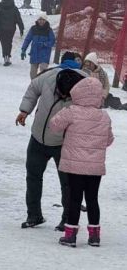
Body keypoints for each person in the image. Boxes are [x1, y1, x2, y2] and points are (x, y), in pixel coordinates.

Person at [16, 51, 88, 231]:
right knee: (68, 183)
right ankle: (67, 220)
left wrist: (25, 110)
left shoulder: (47, 75)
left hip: (39, 136)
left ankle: (34, 215)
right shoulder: (87, 82)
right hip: (66, 141)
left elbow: (32, 88)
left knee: (33, 177)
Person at [49, 77, 113, 247]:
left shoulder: (71, 111)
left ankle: (70, 235)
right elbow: (109, 140)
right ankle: (94, 236)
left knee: (74, 199)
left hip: (74, 165)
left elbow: (54, 125)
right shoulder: (104, 116)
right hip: (95, 167)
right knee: (92, 199)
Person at [0, 0, 24, 66]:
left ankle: (5, 57)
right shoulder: (14, 8)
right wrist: (21, 28)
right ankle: (8, 56)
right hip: (11, 29)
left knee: (4, 43)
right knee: (9, 42)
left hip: (1, 29)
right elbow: (18, 18)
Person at [21, 15, 55, 79]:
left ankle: (42, 85)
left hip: (45, 54)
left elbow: (52, 41)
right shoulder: (33, 29)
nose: (41, 21)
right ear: (37, 20)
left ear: (45, 21)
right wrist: (23, 49)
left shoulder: (49, 30)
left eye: (43, 20)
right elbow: (27, 39)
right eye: (40, 19)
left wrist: (45, 44)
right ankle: (34, 85)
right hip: (34, 53)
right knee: (32, 73)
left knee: (43, 71)